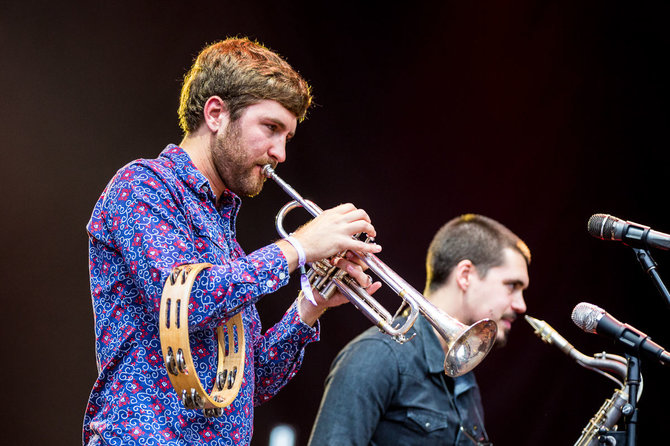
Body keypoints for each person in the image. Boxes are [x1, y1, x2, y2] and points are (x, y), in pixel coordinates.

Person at [83, 37, 383, 446]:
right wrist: (298, 247)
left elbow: (247, 384)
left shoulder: (224, 234)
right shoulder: (143, 186)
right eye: (270, 128)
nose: (279, 153)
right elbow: (185, 303)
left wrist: (310, 305)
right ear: (216, 113)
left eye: (287, 138)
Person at [308, 214, 531, 446]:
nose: (521, 305)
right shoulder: (377, 355)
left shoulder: (465, 376)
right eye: (512, 286)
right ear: (465, 276)